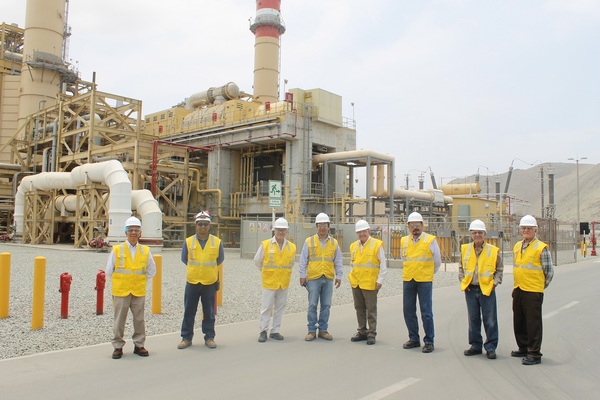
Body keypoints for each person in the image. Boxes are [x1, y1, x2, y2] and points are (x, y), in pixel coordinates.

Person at [106, 216, 156, 359]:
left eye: (136, 230)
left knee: (139, 319)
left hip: (138, 290)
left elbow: (152, 270)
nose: (133, 232)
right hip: (121, 290)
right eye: (130, 230)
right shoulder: (117, 250)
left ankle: (139, 345)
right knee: (119, 320)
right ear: (126, 232)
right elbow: (109, 270)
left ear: (140, 233)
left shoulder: (145, 251)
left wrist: (139, 280)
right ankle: (117, 346)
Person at [178, 210, 224, 350]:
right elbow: (184, 258)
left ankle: (209, 337)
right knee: (189, 311)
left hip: (209, 283)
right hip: (192, 281)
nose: (202, 227)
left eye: (205, 224)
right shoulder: (188, 242)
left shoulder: (216, 242)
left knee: (209, 312)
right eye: (200, 224)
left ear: (209, 226)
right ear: (195, 226)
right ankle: (186, 338)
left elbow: (219, 259)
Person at [511, 215, 554, 365]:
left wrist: (539, 287)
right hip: (519, 289)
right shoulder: (517, 246)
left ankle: (534, 353)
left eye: (529, 228)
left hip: (533, 291)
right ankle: (523, 347)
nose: (526, 230)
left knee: (533, 323)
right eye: (524, 228)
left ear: (535, 230)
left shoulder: (541, 248)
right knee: (519, 321)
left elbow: (549, 272)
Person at [459, 219, 503, 360]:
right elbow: (461, 267)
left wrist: (494, 284)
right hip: (471, 289)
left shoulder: (493, 250)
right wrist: (463, 280)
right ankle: (475, 346)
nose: (477, 235)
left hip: (487, 290)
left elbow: (500, 269)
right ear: (471, 234)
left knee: (490, 320)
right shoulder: (465, 249)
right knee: (473, 319)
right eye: (474, 232)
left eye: (480, 232)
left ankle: (490, 347)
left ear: (485, 234)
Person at [401, 211, 441, 353]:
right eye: (412, 225)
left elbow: (437, 261)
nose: (415, 228)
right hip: (408, 279)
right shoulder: (404, 240)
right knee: (408, 310)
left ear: (422, 226)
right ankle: (414, 338)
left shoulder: (430, 240)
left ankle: (429, 341)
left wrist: (428, 273)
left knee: (426, 312)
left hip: (424, 280)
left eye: (417, 225)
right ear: (408, 227)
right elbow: (404, 258)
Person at [299, 213, 343, 341]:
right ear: (316, 226)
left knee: (326, 305)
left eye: (325, 225)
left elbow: (338, 261)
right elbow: (303, 260)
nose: (322, 227)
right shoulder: (309, 241)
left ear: (329, 227)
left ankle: (323, 330)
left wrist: (339, 276)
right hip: (313, 277)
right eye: (320, 225)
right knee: (312, 304)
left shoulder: (334, 243)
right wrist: (302, 276)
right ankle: (311, 330)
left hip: (328, 277)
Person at [254, 217, 296, 343]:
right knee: (266, 307)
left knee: (280, 307)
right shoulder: (266, 244)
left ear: (286, 231)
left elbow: (291, 263)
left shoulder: (292, 247)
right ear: (274, 230)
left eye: (283, 230)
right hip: (269, 281)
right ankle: (263, 331)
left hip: (283, 282)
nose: (281, 232)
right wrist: (266, 272)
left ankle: (275, 331)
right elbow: (257, 261)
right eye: (279, 230)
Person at [348, 219, 386, 345]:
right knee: (359, 308)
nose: (361, 234)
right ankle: (362, 331)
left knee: (371, 309)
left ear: (368, 231)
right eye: (359, 232)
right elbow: (352, 263)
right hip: (357, 282)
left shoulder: (377, 245)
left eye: (363, 231)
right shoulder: (353, 246)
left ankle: (371, 333)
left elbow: (383, 265)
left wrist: (380, 280)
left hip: (370, 283)